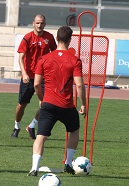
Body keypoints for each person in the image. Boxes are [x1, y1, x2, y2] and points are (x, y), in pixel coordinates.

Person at [27, 26, 86, 176]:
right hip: (66, 105)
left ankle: (34, 168)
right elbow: (79, 84)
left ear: (56, 38)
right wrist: (83, 104)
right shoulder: (74, 60)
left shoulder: (44, 58)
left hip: (48, 104)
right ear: (70, 40)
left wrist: (42, 99)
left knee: (41, 136)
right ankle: (68, 163)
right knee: (74, 130)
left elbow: (36, 84)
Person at [11, 14, 57, 139]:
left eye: (41, 23)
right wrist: (24, 73)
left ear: (45, 24)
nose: (39, 25)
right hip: (29, 77)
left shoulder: (49, 38)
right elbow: (21, 57)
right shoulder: (27, 38)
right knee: (22, 104)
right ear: (33, 23)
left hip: (43, 77)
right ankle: (16, 126)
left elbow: (55, 54)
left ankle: (31, 126)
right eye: (37, 23)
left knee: (45, 104)